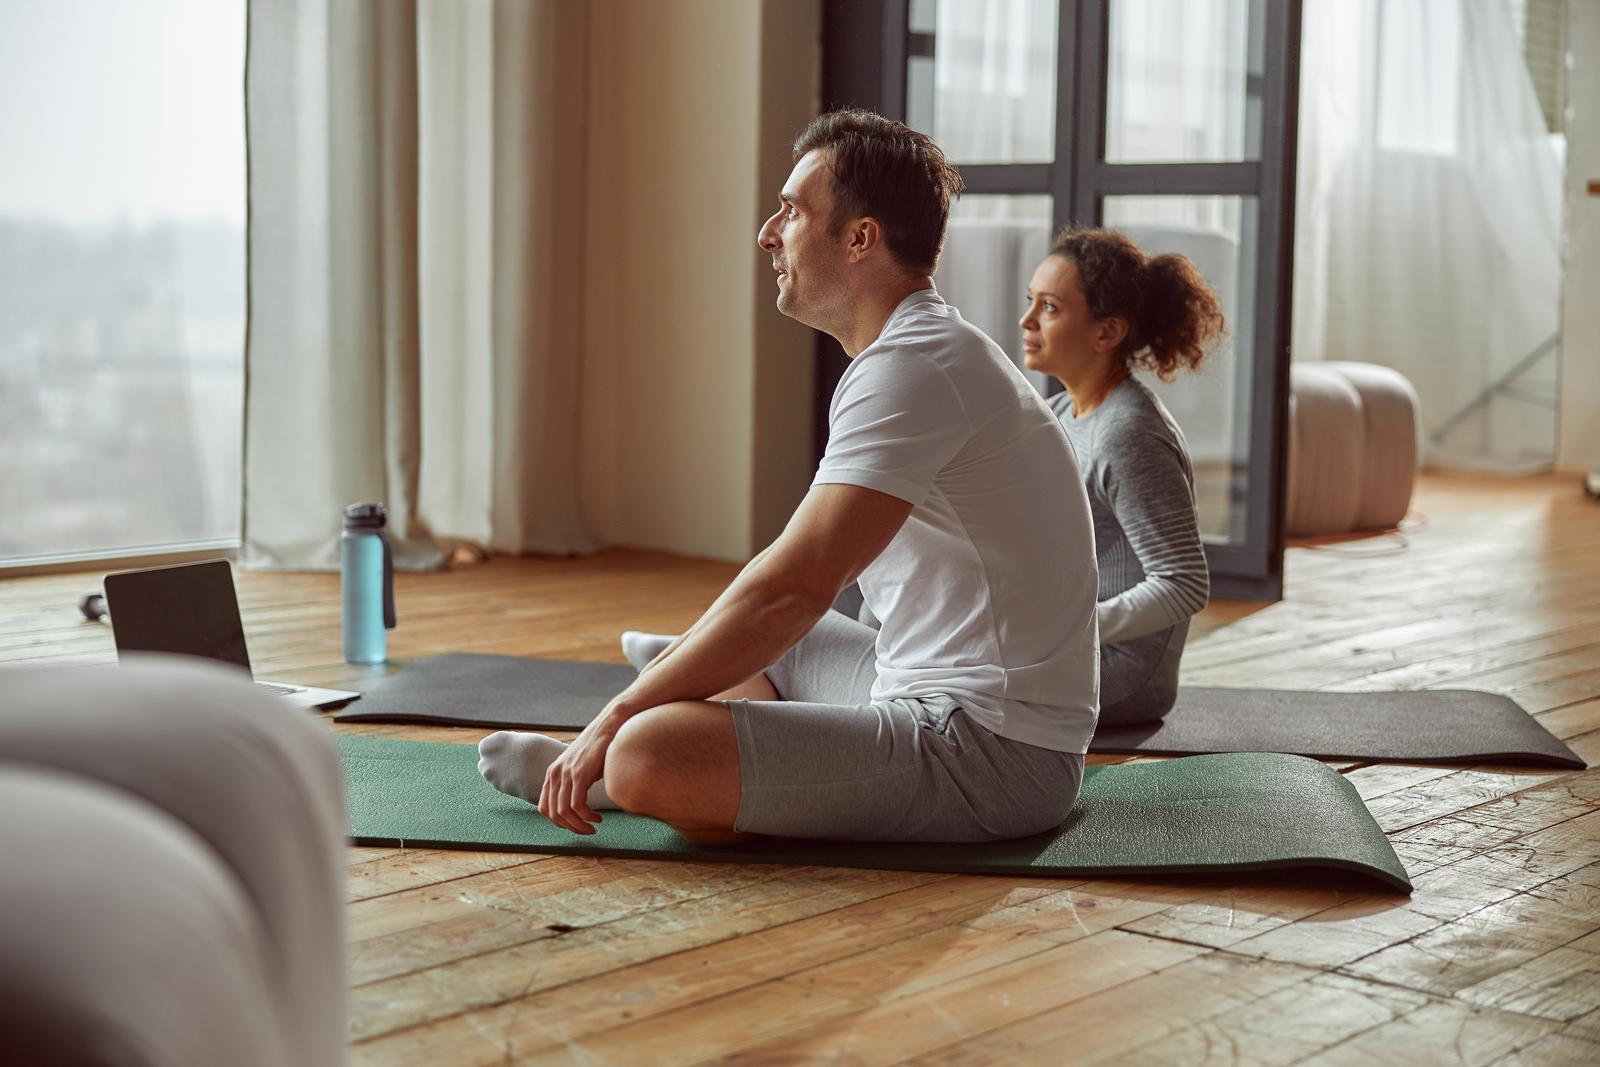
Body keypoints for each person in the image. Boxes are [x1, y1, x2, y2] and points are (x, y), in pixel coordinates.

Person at [477, 109, 1099, 845]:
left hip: (992, 757)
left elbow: (797, 586)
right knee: (760, 645)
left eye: (792, 211)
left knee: (650, 746)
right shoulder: (919, 350)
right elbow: (789, 592)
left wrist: (612, 719)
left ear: (860, 237)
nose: (769, 233)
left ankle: (620, 774)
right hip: (927, 693)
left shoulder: (914, 367)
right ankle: (707, 743)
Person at [1019, 227, 1219, 726]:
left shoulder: (1129, 434)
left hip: (1121, 673)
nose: (1026, 321)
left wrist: (1067, 631)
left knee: (937, 683)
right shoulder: (1061, 411)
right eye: (1031, 302)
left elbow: (1183, 584)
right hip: (1067, 649)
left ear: (1106, 332)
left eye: (1049, 308)